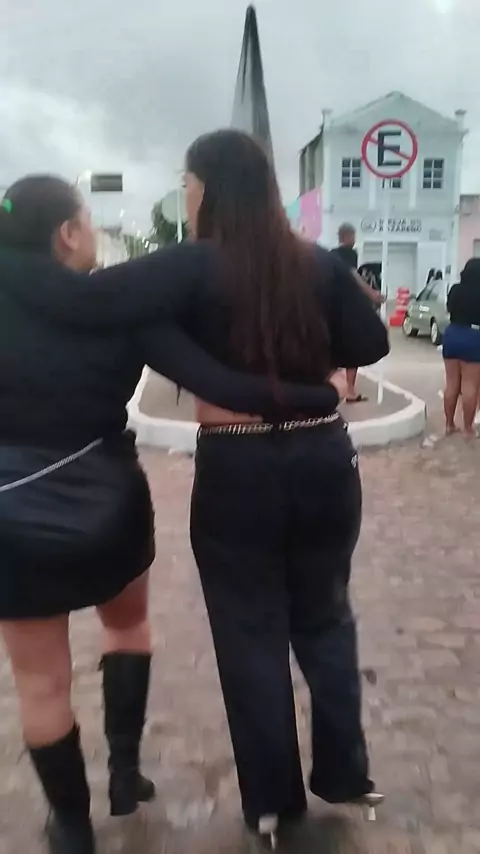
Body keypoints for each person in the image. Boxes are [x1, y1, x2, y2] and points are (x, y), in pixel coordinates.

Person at [0, 176, 346, 854]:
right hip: (109, 505)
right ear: (67, 234)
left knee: (40, 684)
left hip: (11, 514)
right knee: (127, 627)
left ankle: (72, 828)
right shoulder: (121, 308)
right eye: (87, 221)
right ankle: (125, 775)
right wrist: (319, 396)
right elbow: (220, 384)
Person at [331, 223, 384, 403]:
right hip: (347, 307)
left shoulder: (331, 254)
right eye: (353, 236)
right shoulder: (349, 253)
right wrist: (372, 294)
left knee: (332, 349)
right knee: (352, 348)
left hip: (331, 306)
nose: (354, 240)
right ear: (347, 236)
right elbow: (353, 275)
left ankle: (332, 387)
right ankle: (350, 391)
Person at [443, 258, 480, 439]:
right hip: (473, 336)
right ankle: (467, 429)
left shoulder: (455, 289)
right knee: (469, 386)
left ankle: (449, 425)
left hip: (452, 334)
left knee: (451, 384)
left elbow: (449, 309)